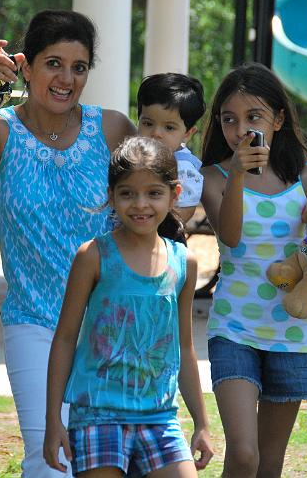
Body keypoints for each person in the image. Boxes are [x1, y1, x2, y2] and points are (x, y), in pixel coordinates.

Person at [0, 9, 136, 477]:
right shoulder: (1, 131)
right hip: (34, 323)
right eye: (53, 63)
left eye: (79, 67)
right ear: (26, 65)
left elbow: (150, 199)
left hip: (110, 323)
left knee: (107, 463)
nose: (66, 79)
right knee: (49, 460)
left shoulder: (112, 129)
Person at [198, 63, 307, 478]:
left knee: (269, 464)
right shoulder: (212, 177)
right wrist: (236, 173)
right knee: (243, 454)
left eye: (254, 117)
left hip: (293, 334)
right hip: (234, 329)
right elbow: (231, 236)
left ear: (279, 119)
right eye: (229, 119)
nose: (240, 130)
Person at [44, 137, 214, 477]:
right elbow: (64, 338)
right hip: (97, 415)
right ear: (111, 196)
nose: (140, 204)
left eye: (153, 193)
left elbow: (183, 346)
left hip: (159, 417)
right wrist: (52, 421)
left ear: (175, 194)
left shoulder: (184, 262)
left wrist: (202, 423)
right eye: (127, 193)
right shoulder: (93, 256)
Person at [136, 73, 206, 230]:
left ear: (188, 133)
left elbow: (181, 216)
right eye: (148, 123)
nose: (156, 133)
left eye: (169, 127)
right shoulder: (133, 155)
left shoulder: (183, 169)